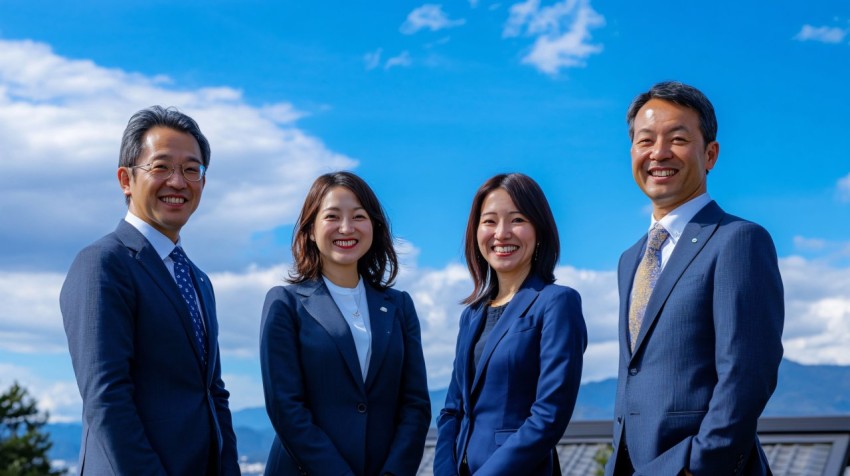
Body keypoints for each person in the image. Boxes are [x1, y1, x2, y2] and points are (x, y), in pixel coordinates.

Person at [606, 81, 784, 476]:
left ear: (710, 154)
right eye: (645, 140)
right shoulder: (629, 259)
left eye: (678, 139)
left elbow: (748, 372)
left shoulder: (738, 240)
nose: (659, 153)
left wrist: (699, 466)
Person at [60, 106, 240, 475]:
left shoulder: (198, 280)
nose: (178, 181)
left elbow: (214, 393)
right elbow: (107, 399)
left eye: (192, 170)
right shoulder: (102, 263)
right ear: (126, 179)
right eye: (161, 167)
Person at [260, 171, 431, 476]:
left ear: (374, 227)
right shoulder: (285, 304)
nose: (346, 228)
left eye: (358, 216)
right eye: (332, 216)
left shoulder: (399, 306)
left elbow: (415, 405)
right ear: (311, 229)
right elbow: (286, 408)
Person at [434, 173, 587, 476]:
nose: (501, 233)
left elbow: (549, 415)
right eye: (489, 222)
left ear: (539, 229)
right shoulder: (472, 315)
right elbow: (452, 409)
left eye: (517, 220)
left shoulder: (557, 303)